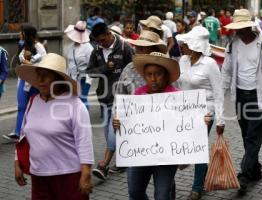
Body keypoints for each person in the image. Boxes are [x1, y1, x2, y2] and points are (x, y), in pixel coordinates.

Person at [14, 53, 94, 199]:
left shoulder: (74, 104)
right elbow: (23, 135)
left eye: (46, 76)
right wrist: (17, 162)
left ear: (58, 79)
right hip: (39, 176)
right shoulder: (33, 101)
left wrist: (86, 173)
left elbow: (84, 142)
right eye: (39, 75)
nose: (40, 80)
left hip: (69, 176)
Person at [222, 9, 262, 194]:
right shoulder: (232, 45)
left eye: (241, 27)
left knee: (252, 137)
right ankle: (255, 169)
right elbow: (226, 71)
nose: (238, 31)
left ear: (250, 26)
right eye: (236, 28)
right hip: (240, 95)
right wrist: (220, 97)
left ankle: (244, 176)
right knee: (246, 134)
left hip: (258, 97)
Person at [113, 52, 180, 200]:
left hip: (166, 157)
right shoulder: (137, 95)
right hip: (140, 155)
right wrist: (118, 123)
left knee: (162, 196)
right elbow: (128, 124)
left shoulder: (178, 97)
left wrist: (202, 120)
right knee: (134, 192)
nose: (153, 78)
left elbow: (187, 124)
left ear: (166, 75)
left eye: (158, 74)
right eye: (149, 74)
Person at [176, 26, 225, 200]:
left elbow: (219, 93)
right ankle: (194, 170)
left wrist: (220, 120)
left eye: (186, 42)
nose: (182, 45)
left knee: (198, 147)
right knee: (191, 146)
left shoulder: (210, 64)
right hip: (185, 111)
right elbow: (177, 85)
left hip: (205, 113)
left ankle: (197, 187)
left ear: (195, 45)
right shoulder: (182, 60)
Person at [86, 22, 133, 180]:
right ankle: (123, 159)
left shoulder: (125, 48)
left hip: (121, 98)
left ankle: (103, 164)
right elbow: (90, 72)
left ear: (108, 34)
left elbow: (134, 70)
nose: (100, 43)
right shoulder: (97, 51)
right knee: (108, 131)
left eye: (102, 40)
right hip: (104, 97)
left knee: (114, 129)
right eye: (97, 41)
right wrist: (105, 67)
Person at [3, 24, 46, 141]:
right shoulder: (24, 45)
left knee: (35, 106)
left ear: (26, 34)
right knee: (21, 106)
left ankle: (35, 131)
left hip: (34, 81)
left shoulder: (39, 47)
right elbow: (21, 60)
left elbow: (43, 63)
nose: (19, 34)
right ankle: (18, 132)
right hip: (23, 79)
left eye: (21, 32)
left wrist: (29, 62)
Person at [64, 20, 94, 109]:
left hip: (84, 79)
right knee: (74, 101)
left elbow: (91, 66)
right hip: (73, 79)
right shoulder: (71, 47)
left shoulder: (88, 48)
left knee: (83, 100)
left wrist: (88, 82)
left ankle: (85, 120)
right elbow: (70, 65)